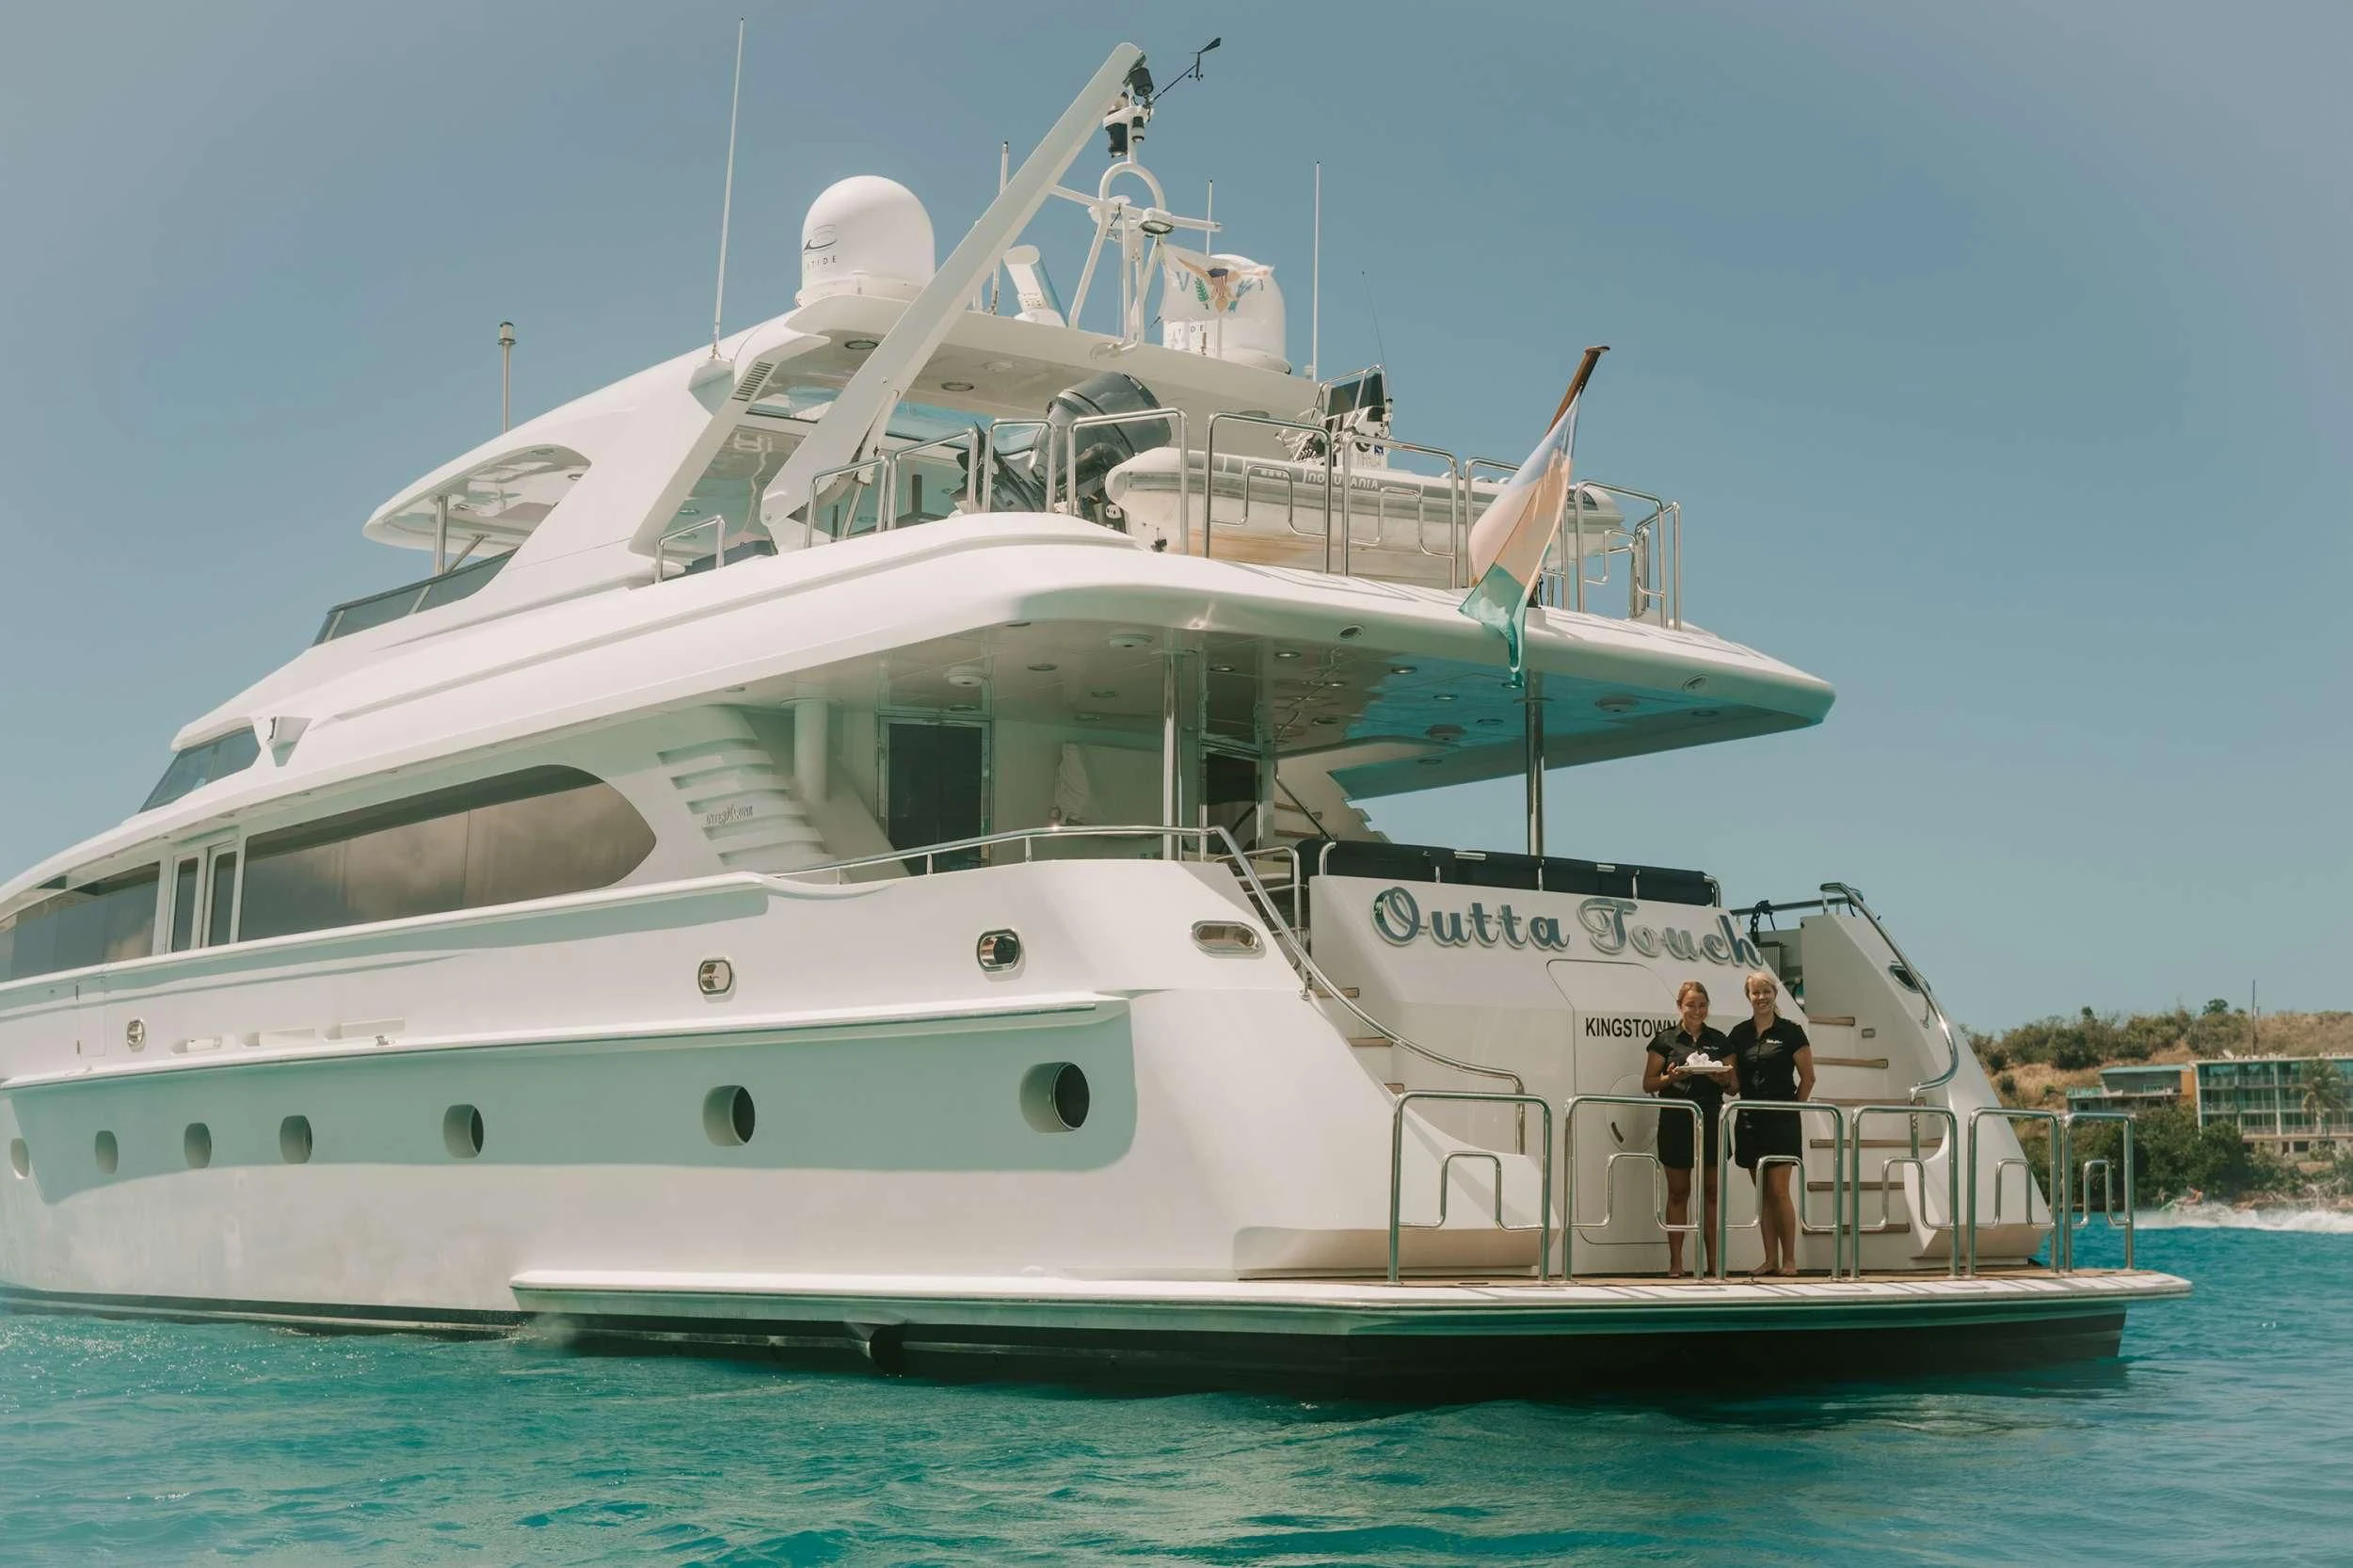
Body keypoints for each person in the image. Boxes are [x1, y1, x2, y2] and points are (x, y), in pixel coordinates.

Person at [1642, 980, 1736, 1278]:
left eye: (1703, 1005)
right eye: (1691, 1005)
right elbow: (1649, 1083)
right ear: (1680, 1007)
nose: (1697, 1010)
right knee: (1679, 1193)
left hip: (1710, 1117)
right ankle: (1676, 1263)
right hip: (1677, 1118)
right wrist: (1670, 1079)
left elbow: (1734, 1086)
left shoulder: (1720, 1040)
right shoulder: (1665, 1040)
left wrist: (1722, 1080)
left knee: (1711, 1193)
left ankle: (1713, 1263)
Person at [1727, 968, 1815, 1278]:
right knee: (1763, 1193)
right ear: (1748, 996)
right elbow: (1733, 1084)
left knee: (1779, 1192)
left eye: (1766, 991)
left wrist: (1794, 1111)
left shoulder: (1791, 1032)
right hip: (1750, 1120)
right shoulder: (1738, 1034)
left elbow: (1808, 1078)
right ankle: (1769, 1259)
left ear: (1775, 994)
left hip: (1782, 1122)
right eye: (1755, 992)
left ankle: (1789, 1260)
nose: (1761, 997)